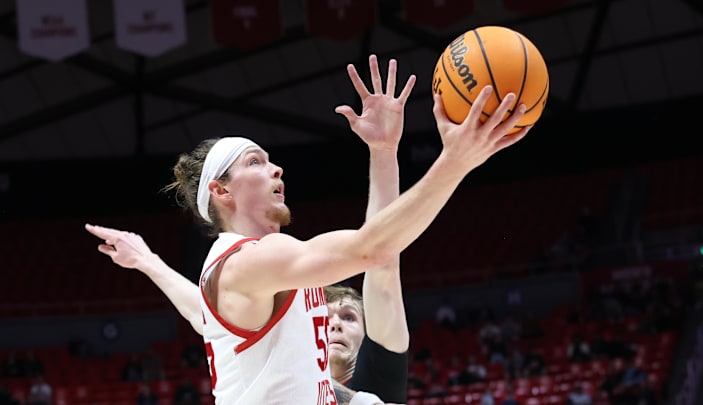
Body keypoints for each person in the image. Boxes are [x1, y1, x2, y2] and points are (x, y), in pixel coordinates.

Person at [87, 52, 529, 404]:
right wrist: (455, 163)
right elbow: (371, 250)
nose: (277, 168)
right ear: (222, 191)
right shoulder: (249, 262)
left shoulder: (256, 273)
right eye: (256, 162)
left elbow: (203, 317)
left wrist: (383, 150)